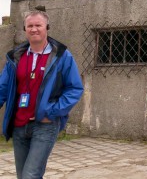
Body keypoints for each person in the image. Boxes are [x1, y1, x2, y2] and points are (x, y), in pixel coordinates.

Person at [0, 10, 84, 178]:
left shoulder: (62, 56)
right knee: (22, 175)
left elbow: (75, 88)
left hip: (44, 125)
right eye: (30, 26)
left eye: (38, 25)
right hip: (19, 126)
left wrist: (52, 112)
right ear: (25, 29)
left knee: (30, 175)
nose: (34, 29)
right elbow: (2, 87)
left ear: (47, 27)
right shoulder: (15, 57)